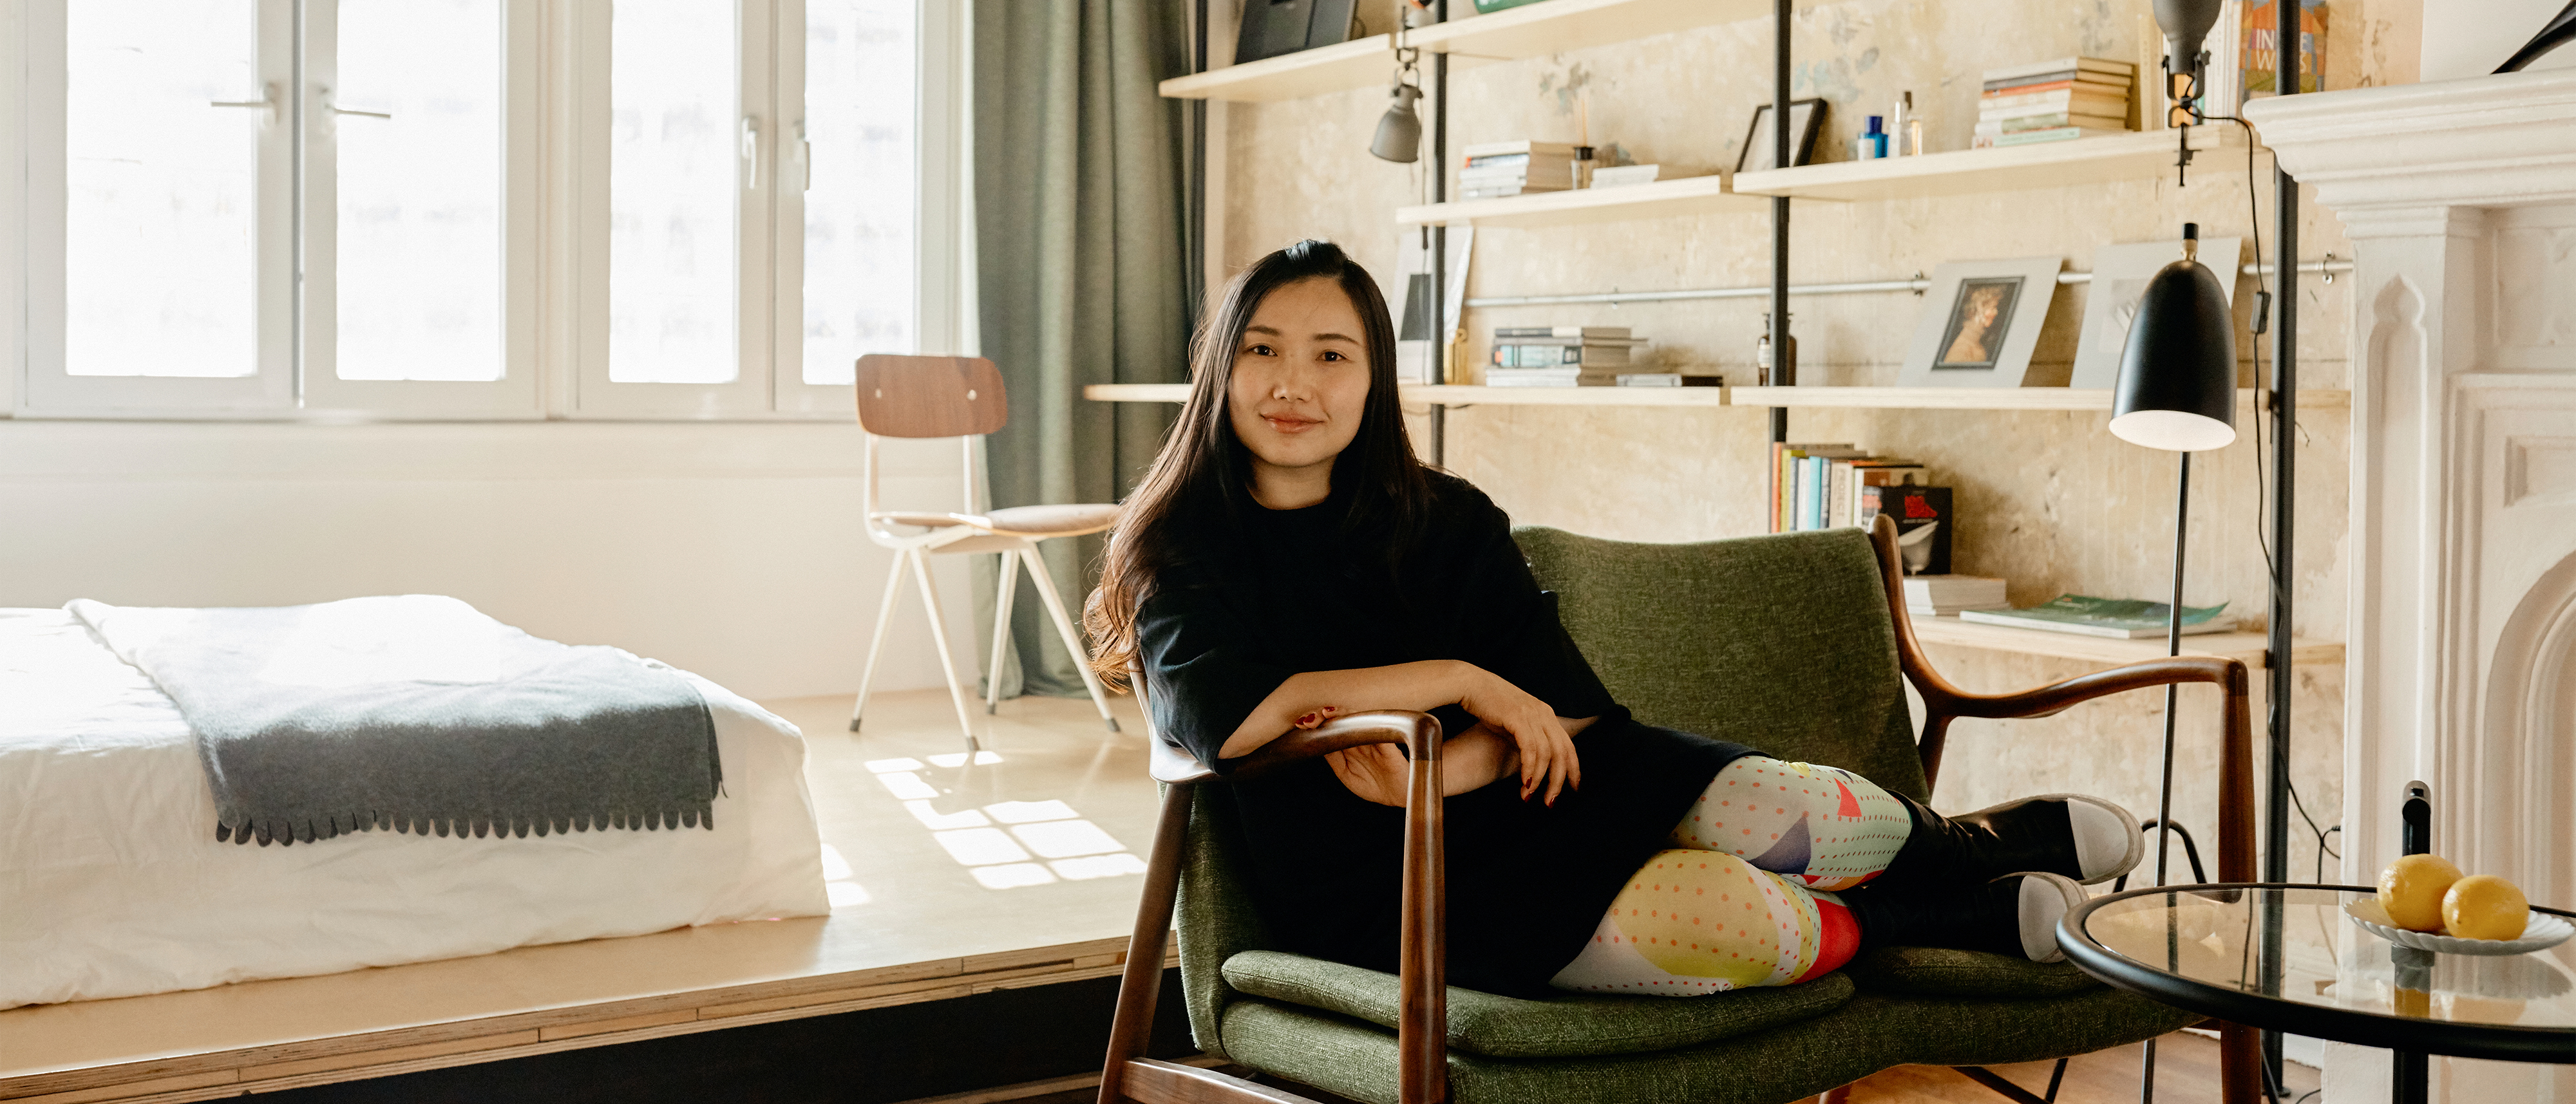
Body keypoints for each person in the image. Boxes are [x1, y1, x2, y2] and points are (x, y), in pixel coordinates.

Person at [1084, 240, 2142, 1000]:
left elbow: (1571, 715)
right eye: (1264, 351)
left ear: (1373, 383)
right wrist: (1459, 681)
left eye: (1331, 355)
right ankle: (1917, 917)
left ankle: (1961, 848)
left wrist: (1445, 769)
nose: (1292, 384)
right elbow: (1236, 719)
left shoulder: (1444, 519)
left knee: (1786, 807)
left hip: (1528, 794)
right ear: (1220, 370)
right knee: (1736, 920)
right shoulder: (1179, 545)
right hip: (1380, 893)